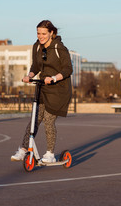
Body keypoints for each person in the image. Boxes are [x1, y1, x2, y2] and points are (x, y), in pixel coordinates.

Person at [11, 20, 73, 163]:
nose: (41, 36)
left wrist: (54, 78)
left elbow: (68, 69)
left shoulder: (59, 48)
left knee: (48, 120)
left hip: (59, 90)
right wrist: (30, 76)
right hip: (43, 88)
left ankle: (50, 154)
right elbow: (36, 65)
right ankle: (23, 149)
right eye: (38, 33)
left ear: (51, 33)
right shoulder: (36, 47)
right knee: (35, 120)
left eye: (44, 33)